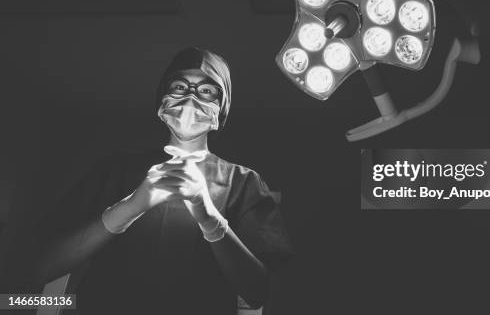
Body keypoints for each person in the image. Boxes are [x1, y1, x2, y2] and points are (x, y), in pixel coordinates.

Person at [12, 47, 293, 314]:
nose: (191, 98)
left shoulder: (243, 183)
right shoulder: (116, 171)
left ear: (222, 107)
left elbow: (258, 291)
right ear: (162, 97)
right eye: (180, 87)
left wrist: (210, 218)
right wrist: (129, 208)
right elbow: (40, 267)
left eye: (206, 91)